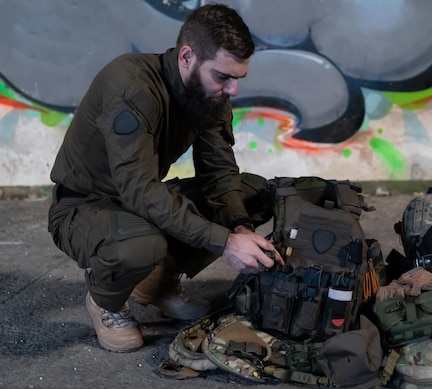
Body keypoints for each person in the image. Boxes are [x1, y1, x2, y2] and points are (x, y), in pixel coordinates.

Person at [47, 3, 284, 353]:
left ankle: (156, 284)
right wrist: (224, 243)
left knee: (253, 194)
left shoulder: (209, 94)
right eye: (223, 76)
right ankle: (105, 302)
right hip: (84, 208)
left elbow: (218, 173)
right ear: (187, 56)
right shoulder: (130, 88)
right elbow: (141, 191)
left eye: (238, 78)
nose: (232, 90)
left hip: (136, 201)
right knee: (141, 245)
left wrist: (239, 227)